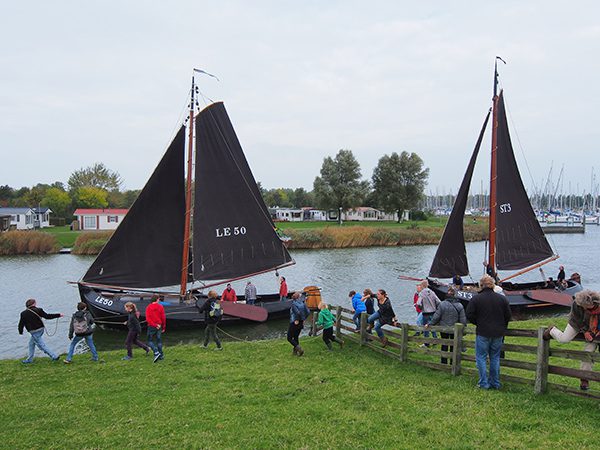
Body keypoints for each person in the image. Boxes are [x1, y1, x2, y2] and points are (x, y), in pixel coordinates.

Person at [543, 290, 600, 391]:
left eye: (587, 308)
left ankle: (585, 378)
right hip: (578, 324)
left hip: (595, 328)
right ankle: (552, 330)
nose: (585, 309)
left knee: (589, 352)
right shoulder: (577, 304)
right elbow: (577, 319)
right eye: (584, 307)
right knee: (565, 339)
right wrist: (585, 331)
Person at [466, 275, 512, 389]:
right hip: (498, 333)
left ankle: (483, 383)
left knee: (481, 357)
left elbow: (469, 314)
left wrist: (478, 322)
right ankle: (495, 382)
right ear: (493, 285)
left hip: (483, 331)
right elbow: (508, 316)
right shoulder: (502, 299)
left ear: (481, 285)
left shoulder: (476, 299)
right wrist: (502, 326)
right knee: (495, 357)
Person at [426, 287, 466, 364]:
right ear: (454, 295)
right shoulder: (459, 305)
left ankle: (443, 362)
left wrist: (430, 323)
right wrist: (464, 330)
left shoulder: (442, 304)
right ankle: (452, 362)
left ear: (447, 294)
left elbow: (436, 316)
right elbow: (463, 319)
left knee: (444, 344)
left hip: (444, 328)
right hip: (455, 329)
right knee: (453, 346)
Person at [18, 298, 63, 364]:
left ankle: (54, 356)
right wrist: (58, 315)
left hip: (33, 331)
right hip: (41, 329)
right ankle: (29, 359)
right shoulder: (39, 310)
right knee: (31, 344)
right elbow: (47, 316)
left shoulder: (23, 313)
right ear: (34, 304)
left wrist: (20, 331)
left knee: (41, 345)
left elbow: (21, 324)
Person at [416, 280, 441, 345]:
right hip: (433, 312)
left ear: (422, 285)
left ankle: (426, 343)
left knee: (426, 328)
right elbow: (438, 301)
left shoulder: (421, 293)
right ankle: (435, 340)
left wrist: (421, 308)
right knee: (432, 326)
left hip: (426, 313)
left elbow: (418, 303)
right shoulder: (432, 292)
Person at [288, 292, 310, 356]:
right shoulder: (303, 303)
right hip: (301, 322)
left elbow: (297, 313)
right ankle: (295, 352)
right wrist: (303, 319)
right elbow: (308, 312)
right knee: (296, 337)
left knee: (289, 338)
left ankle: (299, 348)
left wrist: (297, 319)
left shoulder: (294, 304)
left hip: (294, 322)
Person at [146, 295, 166, 362]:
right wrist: (163, 326)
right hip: (159, 325)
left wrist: (154, 325)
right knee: (159, 341)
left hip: (152, 326)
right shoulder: (160, 307)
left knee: (149, 341)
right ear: (157, 299)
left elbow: (148, 319)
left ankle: (156, 351)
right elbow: (163, 318)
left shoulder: (148, 307)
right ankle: (161, 355)